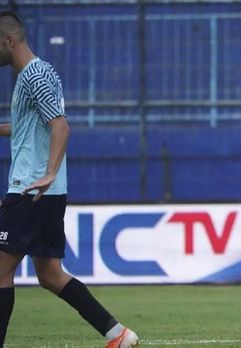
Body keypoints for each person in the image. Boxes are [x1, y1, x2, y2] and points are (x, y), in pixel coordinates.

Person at [0, 11, 138, 347]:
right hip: (42, 191)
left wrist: (48, 173)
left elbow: (60, 125)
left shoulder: (35, 75)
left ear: (8, 41)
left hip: (30, 189)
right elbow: (27, 129)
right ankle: (117, 334)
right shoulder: (30, 77)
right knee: (49, 275)